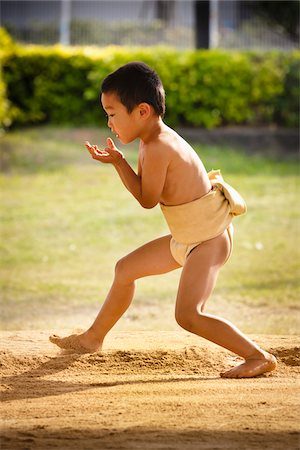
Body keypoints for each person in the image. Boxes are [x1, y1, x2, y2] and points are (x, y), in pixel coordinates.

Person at [50, 62, 277, 378]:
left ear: (142, 111)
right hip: (188, 237)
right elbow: (149, 193)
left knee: (188, 315)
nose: (109, 123)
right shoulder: (150, 140)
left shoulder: (158, 146)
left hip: (208, 240)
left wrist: (118, 164)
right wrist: (119, 160)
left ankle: (258, 356)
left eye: (112, 114)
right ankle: (92, 338)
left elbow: (147, 200)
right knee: (125, 269)